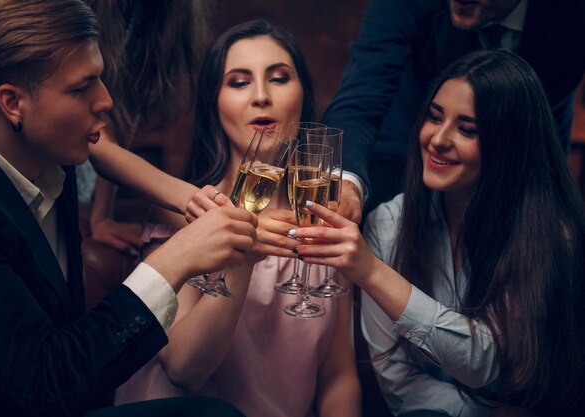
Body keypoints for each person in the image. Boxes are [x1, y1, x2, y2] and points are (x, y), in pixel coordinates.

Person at [0, 1, 257, 416]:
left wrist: (189, 200)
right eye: (82, 88)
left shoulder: (47, 153)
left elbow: (107, 154)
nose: (106, 101)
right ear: (12, 103)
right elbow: (44, 385)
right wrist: (172, 261)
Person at [291, 50, 585, 416]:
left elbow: (485, 362)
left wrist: (372, 272)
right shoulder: (388, 223)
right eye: (434, 117)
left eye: (467, 129)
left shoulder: (552, 236)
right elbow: (395, 372)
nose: (438, 139)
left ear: (507, 145)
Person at [114, 20, 362, 417]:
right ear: (215, 104)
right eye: (239, 82)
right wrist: (244, 250)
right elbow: (183, 369)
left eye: (279, 78)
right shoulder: (183, 214)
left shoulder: (328, 222)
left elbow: (338, 374)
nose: (261, 96)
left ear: (303, 96)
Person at [324, 0, 585, 223]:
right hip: (399, 160)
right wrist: (347, 181)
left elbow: (549, 120)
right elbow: (361, 95)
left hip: (512, 179)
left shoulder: (573, 14)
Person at [80, 0, 213, 254]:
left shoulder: (155, 14)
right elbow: (94, 135)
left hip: (85, 172)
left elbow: (113, 117)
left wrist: (101, 216)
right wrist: (192, 199)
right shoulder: (75, 10)